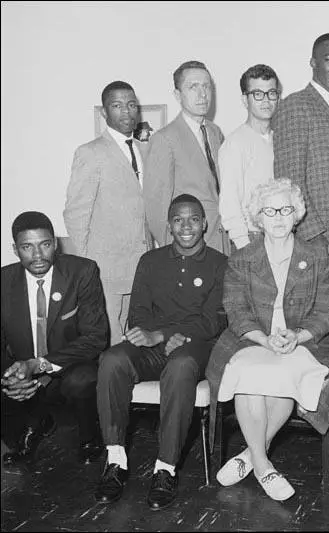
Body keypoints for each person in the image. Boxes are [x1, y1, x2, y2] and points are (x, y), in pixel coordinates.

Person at [206, 178, 329, 501]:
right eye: (271, 211)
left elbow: (328, 309)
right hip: (252, 340)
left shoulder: (316, 254)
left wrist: (297, 335)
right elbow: (236, 311)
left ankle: (250, 457)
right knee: (250, 377)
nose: (279, 217)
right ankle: (265, 465)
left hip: (304, 342)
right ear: (259, 217)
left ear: (297, 214)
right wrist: (266, 340)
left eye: (286, 209)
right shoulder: (242, 258)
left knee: (284, 376)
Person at [94, 194, 227, 511]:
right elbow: (138, 313)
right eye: (178, 219)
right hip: (153, 345)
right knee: (112, 359)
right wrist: (155, 336)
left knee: (180, 366)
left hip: (195, 345)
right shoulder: (150, 262)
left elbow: (216, 319)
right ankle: (115, 460)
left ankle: (165, 469)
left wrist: (169, 334)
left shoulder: (220, 264)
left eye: (193, 218)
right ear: (169, 225)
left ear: (204, 223)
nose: (186, 226)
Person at [1, 211, 108, 467]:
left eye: (45, 245)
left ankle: (89, 436)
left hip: (69, 365)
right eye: (27, 247)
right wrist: (8, 379)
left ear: (55, 244)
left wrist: (39, 364)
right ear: (15, 249)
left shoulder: (82, 271)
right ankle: (32, 426)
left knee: (82, 380)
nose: (38, 255)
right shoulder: (3, 281)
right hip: (23, 369)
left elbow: (95, 337)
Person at [64, 80, 152, 347]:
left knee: (132, 343)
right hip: (106, 271)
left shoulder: (143, 148)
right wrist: (89, 267)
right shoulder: (90, 152)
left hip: (139, 266)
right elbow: (75, 214)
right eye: (117, 106)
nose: (126, 112)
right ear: (104, 113)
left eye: (131, 105)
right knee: (109, 344)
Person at [272, 33, 329, 254]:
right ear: (313, 63)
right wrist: (313, 235)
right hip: (318, 240)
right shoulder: (295, 106)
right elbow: (289, 181)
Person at [144, 60, 228, 254]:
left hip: (220, 245)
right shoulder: (164, 139)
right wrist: (173, 254)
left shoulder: (215, 133)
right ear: (177, 94)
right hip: (187, 249)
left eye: (207, 86)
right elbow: (156, 208)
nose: (202, 94)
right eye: (193, 87)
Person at [218, 64, 280, 251]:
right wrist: (245, 247)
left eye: (271, 93)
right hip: (251, 240)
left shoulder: (280, 139)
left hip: (280, 237)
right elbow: (229, 204)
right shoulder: (235, 144)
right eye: (258, 94)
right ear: (245, 100)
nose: (266, 101)